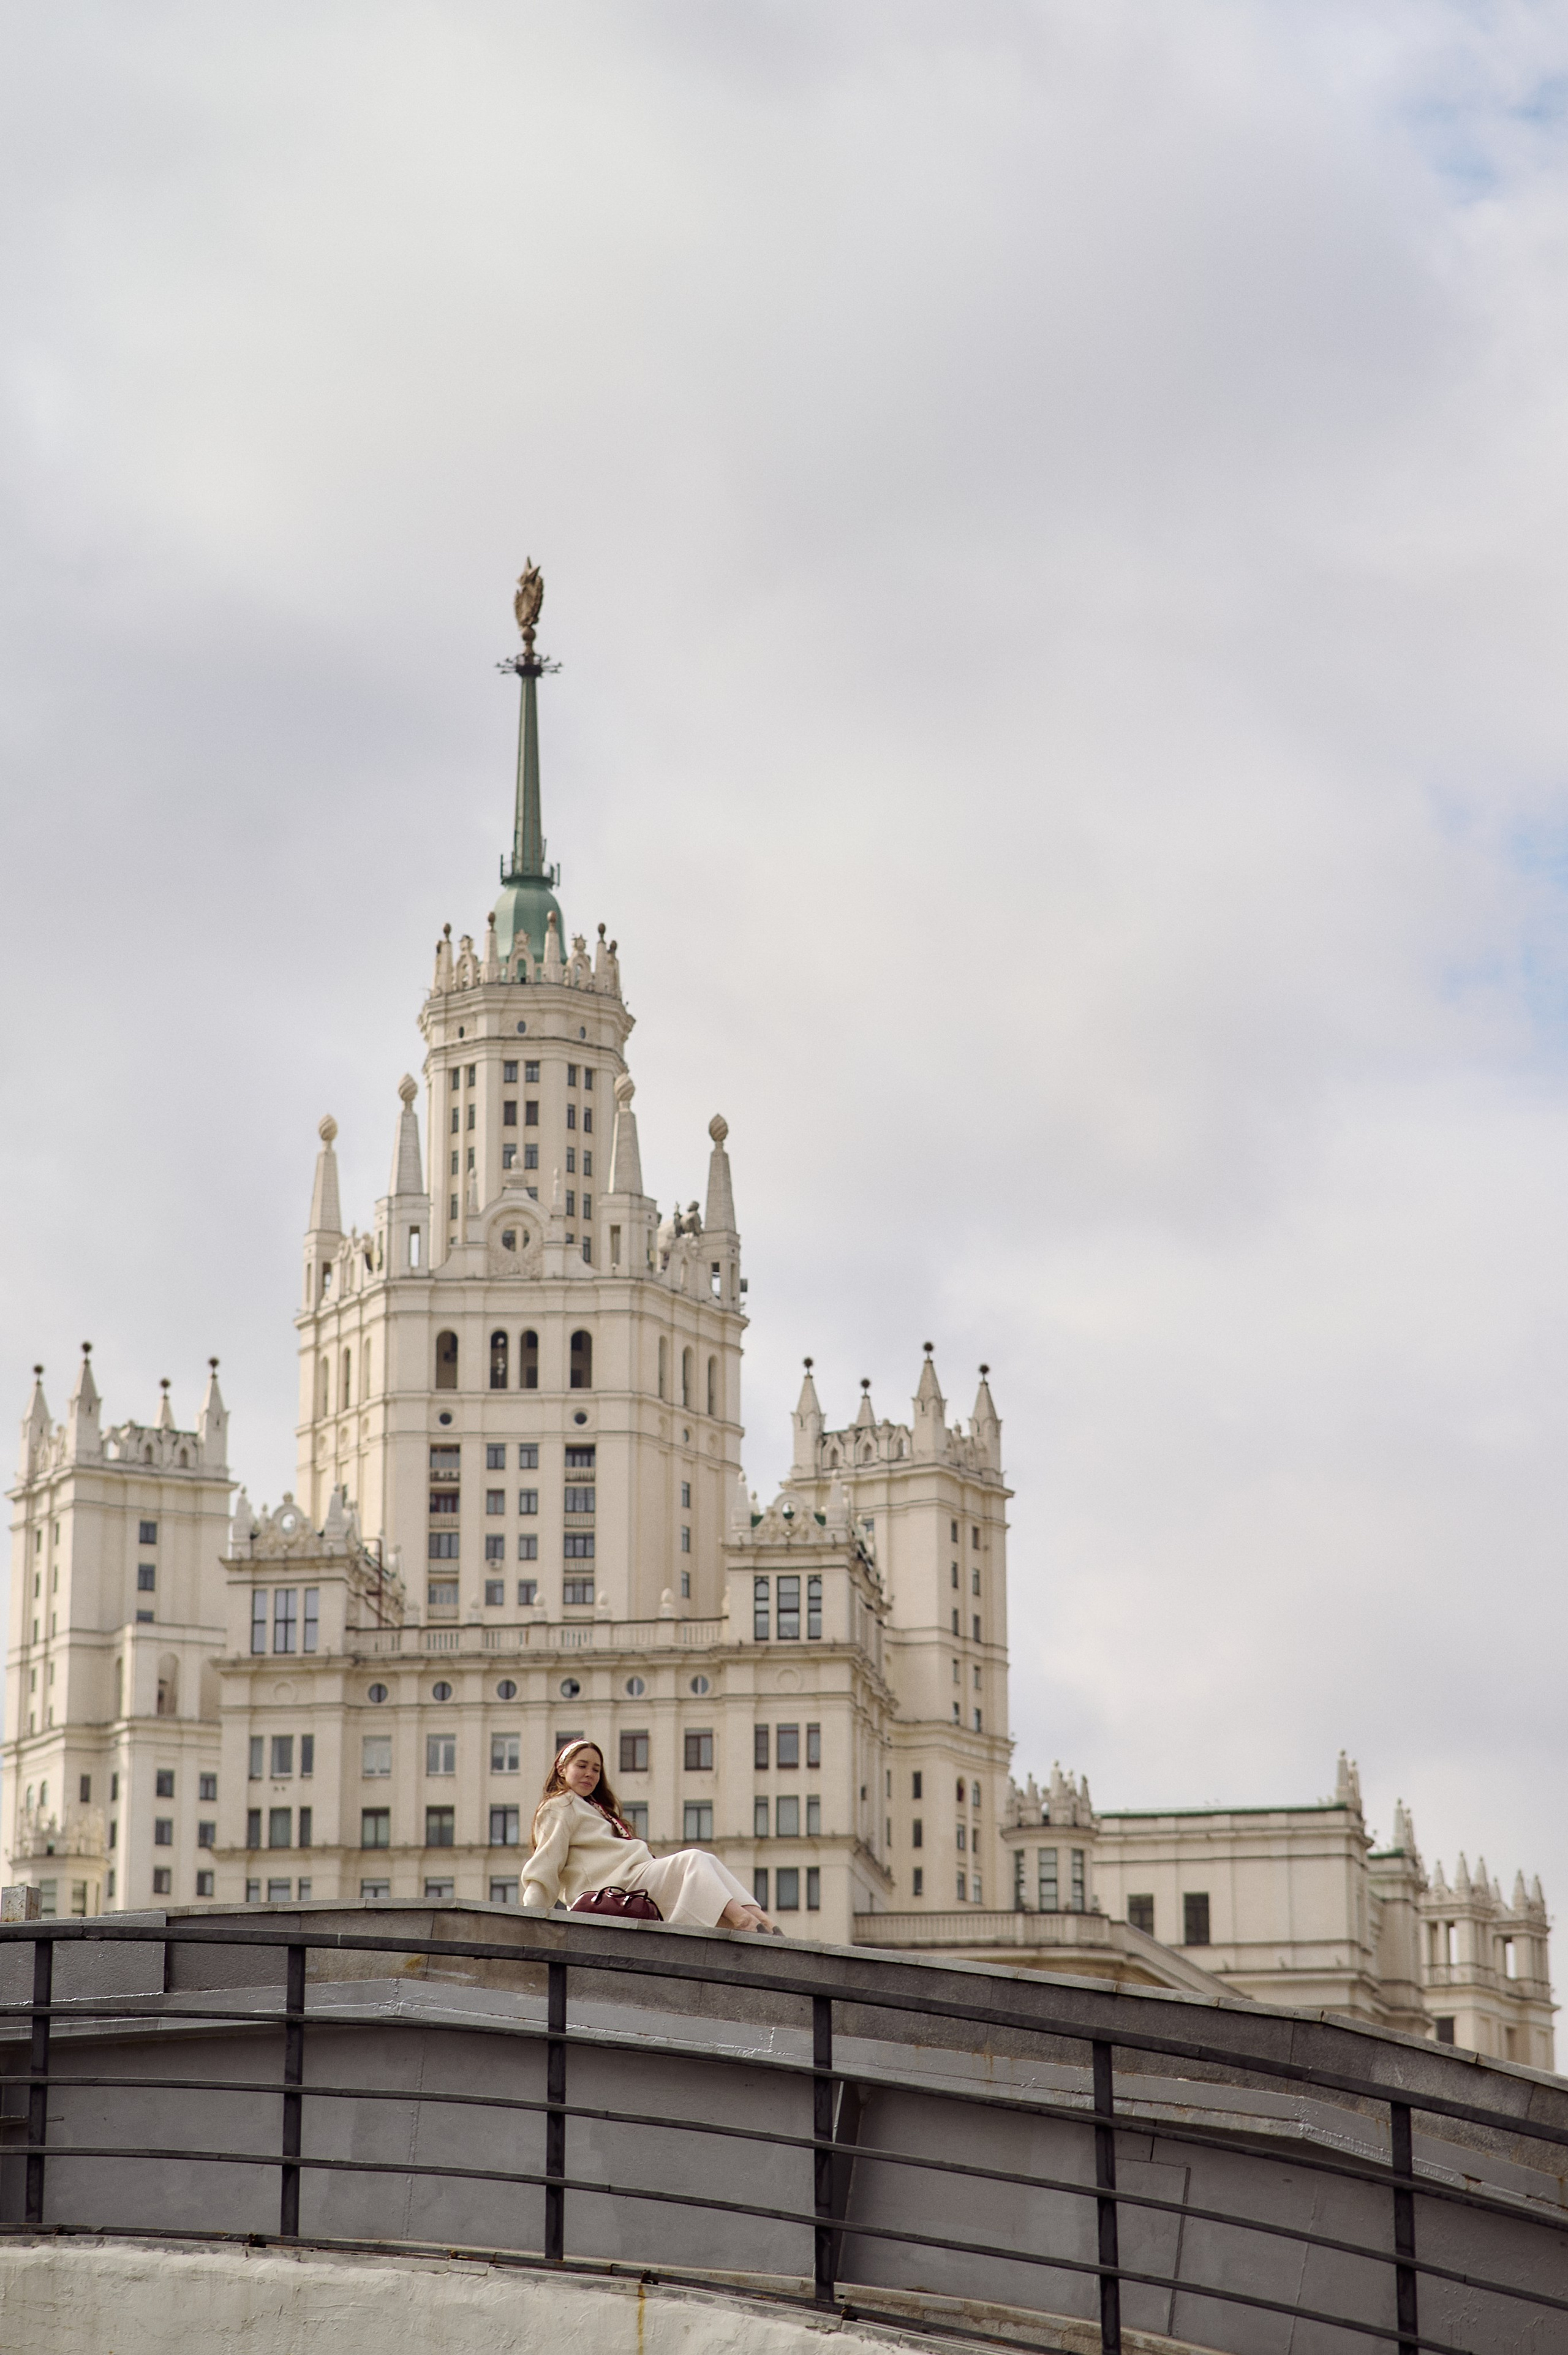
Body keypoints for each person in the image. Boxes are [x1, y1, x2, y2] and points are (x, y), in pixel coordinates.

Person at [522, 1739, 779, 1932]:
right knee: (692, 1860)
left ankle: (760, 1920)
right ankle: (744, 1921)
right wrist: (532, 1916)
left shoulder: (595, 1808)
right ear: (562, 1768)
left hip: (632, 1877)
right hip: (609, 1887)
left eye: (596, 1769)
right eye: (582, 1766)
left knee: (707, 1861)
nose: (590, 1774)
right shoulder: (560, 1805)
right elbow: (547, 1861)